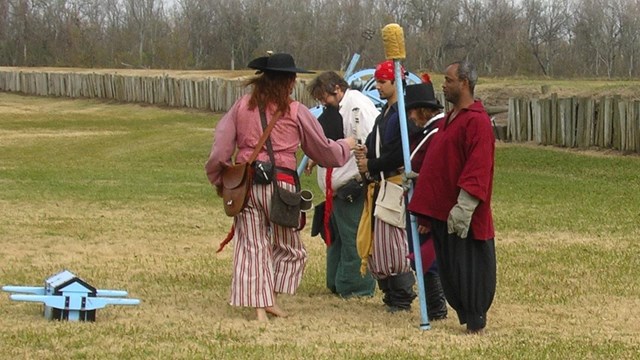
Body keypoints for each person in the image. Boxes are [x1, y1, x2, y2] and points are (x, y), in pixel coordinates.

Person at [204, 53, 357, 322]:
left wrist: (220, 178)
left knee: (253, 246)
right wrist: (347, 145)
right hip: (283, 187)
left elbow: (220, 149)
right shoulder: (297, 111)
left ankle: (262, 302)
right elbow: (322, 150)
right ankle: (265, 301)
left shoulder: (242, 107)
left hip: (248, 185)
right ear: (288, 81)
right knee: (290, 248)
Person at [408, 60, 497, 333]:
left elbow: (477, 167)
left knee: (469, 268)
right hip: (442, 212)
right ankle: (466, 316)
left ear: (464, 83)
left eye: (448, 80)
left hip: (464, 213)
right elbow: (443, 165)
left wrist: (465, 206)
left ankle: (475, 321)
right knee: (450, 269)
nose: (443, 85)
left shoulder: (477, 122)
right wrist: (424, 193)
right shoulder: (450, 120)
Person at [306, 71, 379, 298]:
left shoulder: (359, 107)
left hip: (353, 187)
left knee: (354, 239)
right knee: (336, 239)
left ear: (337, 89)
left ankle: (357, 286)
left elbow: (368, 142)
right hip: (336, 191)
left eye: (324, 97)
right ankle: (338, 282)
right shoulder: (335, 110)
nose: (322, 102)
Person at [354, 60, 417, 312]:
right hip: (381, 185)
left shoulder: (404, 116)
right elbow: (376, 144)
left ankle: (401, 296)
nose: (378, 86)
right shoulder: (385, 115)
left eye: (383, 82)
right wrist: (366, 152)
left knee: (394, 246)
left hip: (394, 185)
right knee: (380, 245)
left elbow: (398, 155)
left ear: (395, 82)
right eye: (377, 81)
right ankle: (390, 294)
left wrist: (370, 164)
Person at [404, 76, 448, 321]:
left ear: (421, 110)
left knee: (428, 260)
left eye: (411, 111)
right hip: (417, 203)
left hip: (427, 209)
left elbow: (433, 177)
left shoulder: (436, 133)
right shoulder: (428, 131)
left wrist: (426, 215)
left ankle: (436, 309)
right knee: (421, 258)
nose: (410, 117)